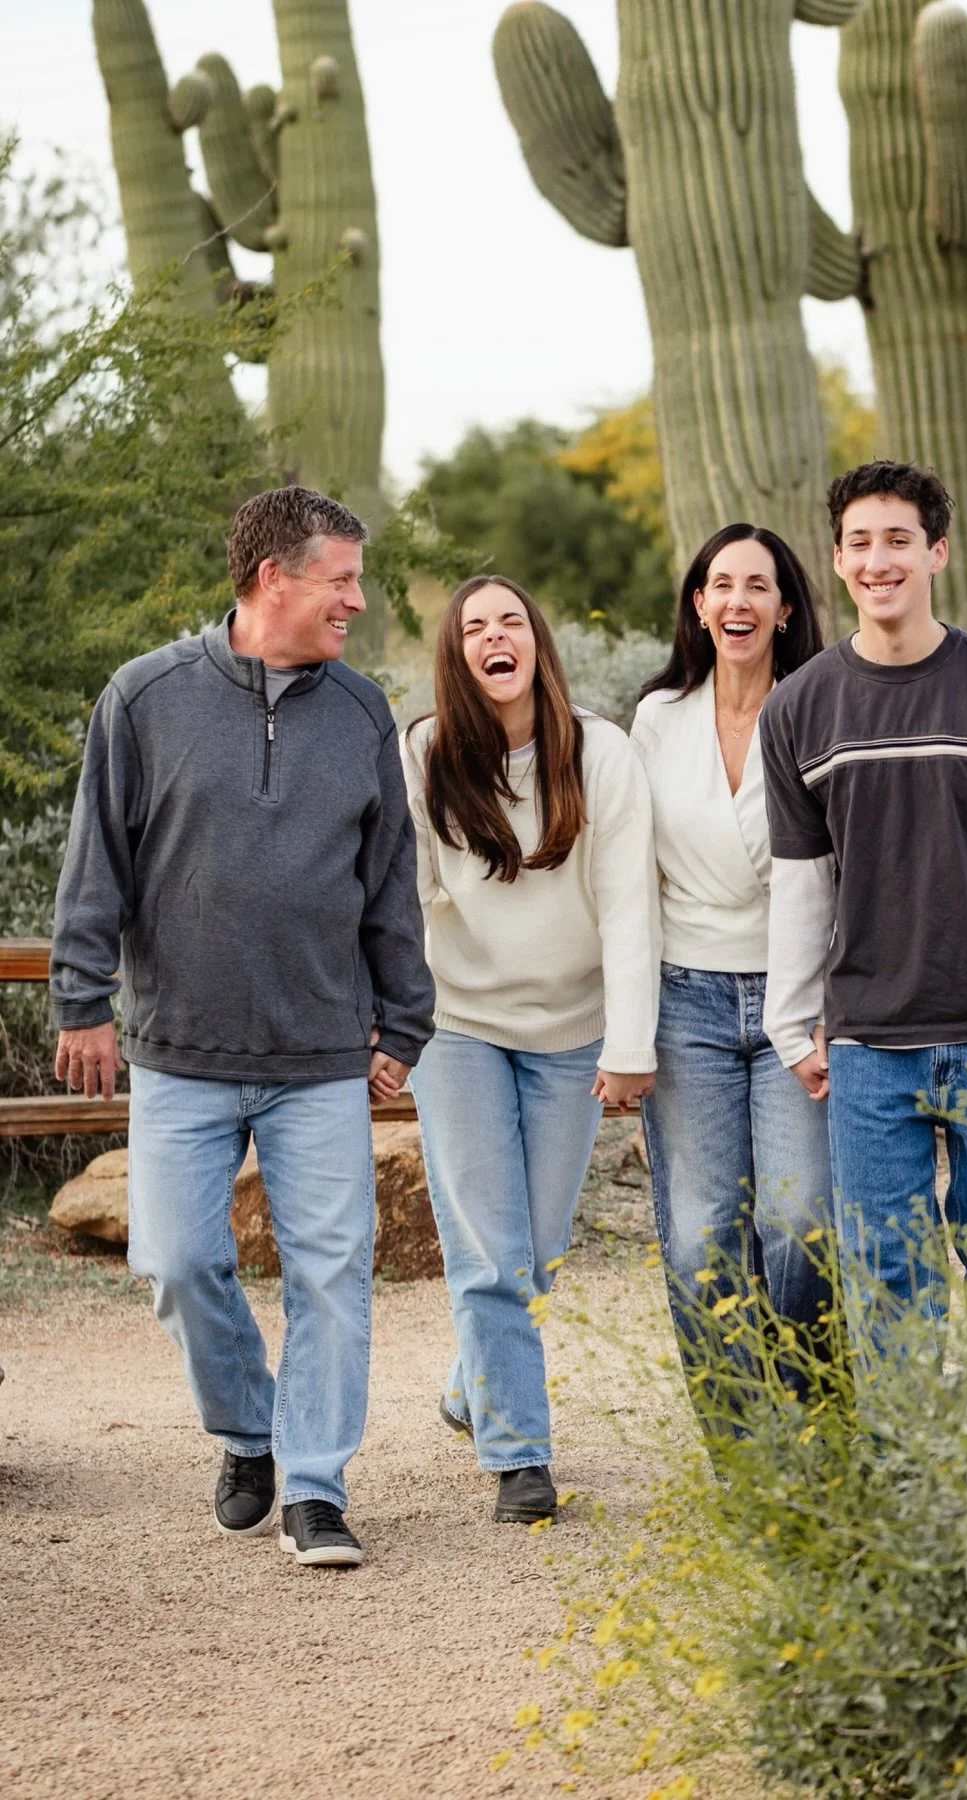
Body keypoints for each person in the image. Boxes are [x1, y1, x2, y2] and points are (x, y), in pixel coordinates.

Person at [50, 486, 435, 1568]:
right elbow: (98, 865)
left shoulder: (360, 715)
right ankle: (247, 1431)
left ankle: (315, 1488)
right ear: (276, 578)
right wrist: (82, 999)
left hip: (320, 1054)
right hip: (182, 1049)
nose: (357, 601)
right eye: (343, 580)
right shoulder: (146, 699)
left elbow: (389, 888)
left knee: (331, 1273)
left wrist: (401, 1023)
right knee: (174, 1262)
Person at [759, 461, 967, 1359]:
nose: (879, 560)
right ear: (836, 561)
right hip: (869, 1045)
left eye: (898, 540)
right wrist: (793, 1024)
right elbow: (802, 878)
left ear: (936, 551)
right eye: (860, 543)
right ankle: (914, 1488)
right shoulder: (798, 709)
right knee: (889, 1283)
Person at [403, 575, 658, 1524]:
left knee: (538, 1249)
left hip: (573, 1030)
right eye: (474, 627)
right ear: (458, 656)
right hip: (457, 1026)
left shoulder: (601, 753)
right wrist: (391, 1021)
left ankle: (473, 1388)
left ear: (537, 645)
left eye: (510, 620)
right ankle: (521, 1457)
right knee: (489, 1251)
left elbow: (634, 904)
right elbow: (405, 896)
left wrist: (632, 1043)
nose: (494, 636)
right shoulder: (423, 752)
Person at [630, 524, 833, 1430]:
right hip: (687, 1002)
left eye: (759, 585)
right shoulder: (657, 718)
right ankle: (746, 1454)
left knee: (799, 1226)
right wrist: (629, 1023)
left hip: (801, 1000)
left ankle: (816, 1417)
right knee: (702, 1237)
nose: (739, 601)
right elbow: (627, 878)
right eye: (722, 585)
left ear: (786, 608)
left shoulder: (823, 708)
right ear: (700, 607)